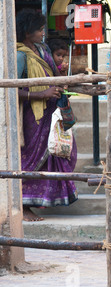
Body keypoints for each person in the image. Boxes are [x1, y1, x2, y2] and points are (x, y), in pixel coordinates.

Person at [16, 9, 78, 222]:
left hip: (52, 111)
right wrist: (42, 93)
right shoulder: (19, 55)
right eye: (39, 29)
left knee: (63, 151)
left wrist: (61, 80)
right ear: (27, 32)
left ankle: (40, 199)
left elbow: (52, 74)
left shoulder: (42, 50)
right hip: (33, 116)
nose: (43, 33)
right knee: (31, 160)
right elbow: (11, 90)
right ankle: (23, 206)